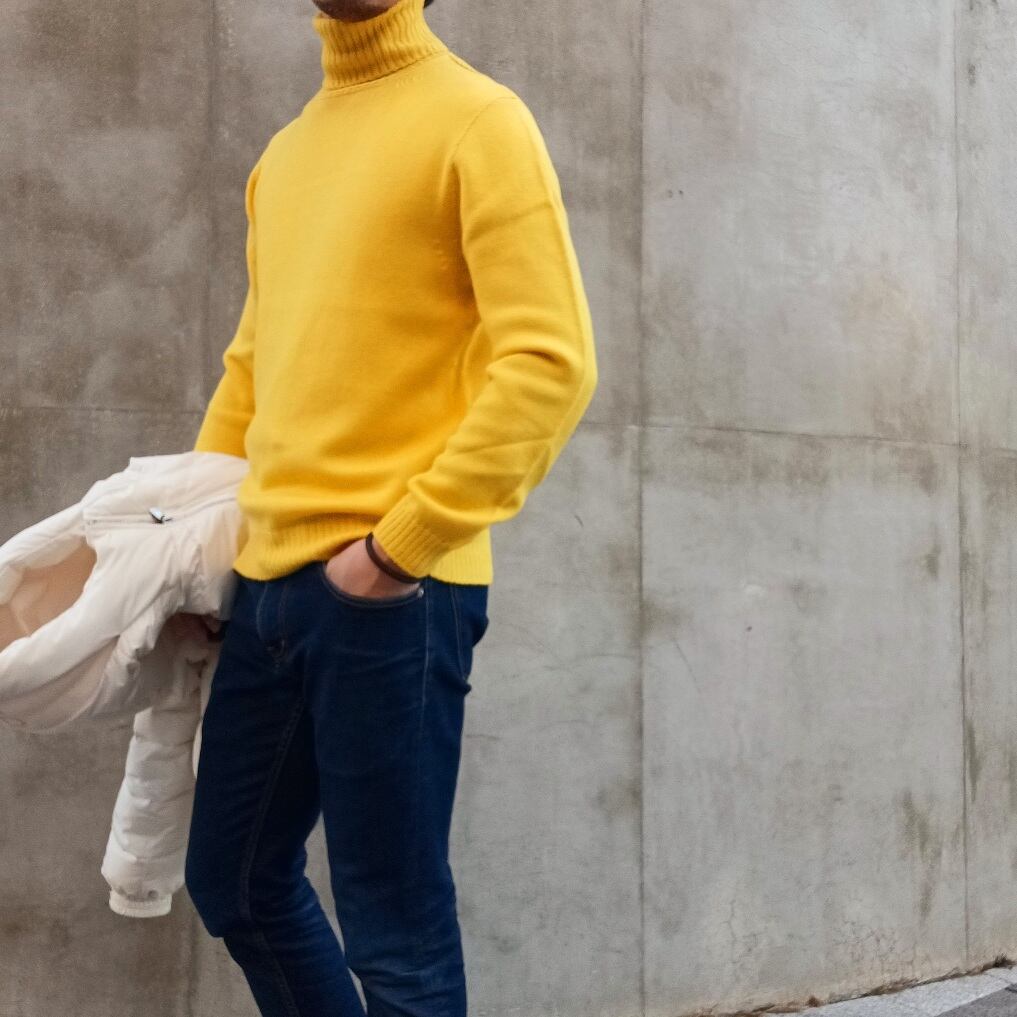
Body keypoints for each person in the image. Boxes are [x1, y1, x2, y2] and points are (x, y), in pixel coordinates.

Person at [175, 0, 597, 1012]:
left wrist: (396, 550)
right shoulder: (284, 156)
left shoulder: (478, 120)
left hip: (391, 593)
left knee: (394, 932)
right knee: (232, 881)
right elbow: (250, 371)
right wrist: (197, 554)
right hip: (265, 592)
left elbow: (550, 363)